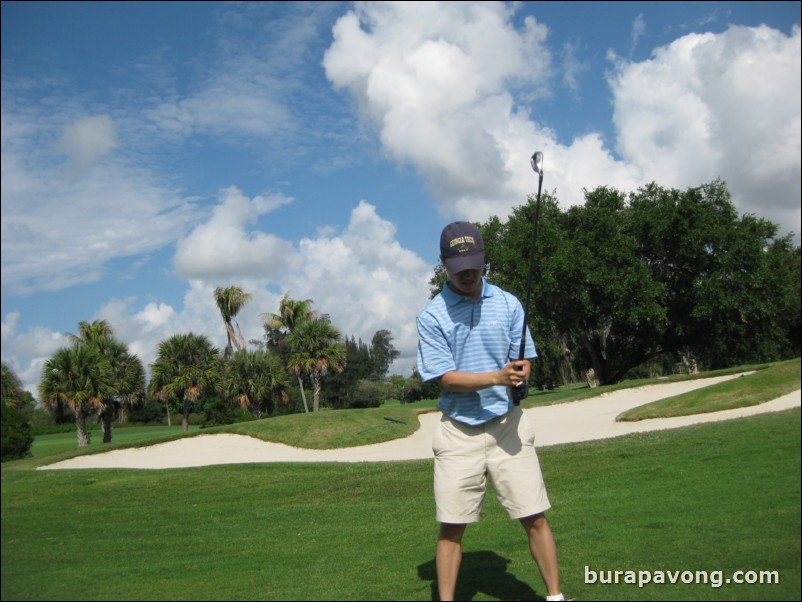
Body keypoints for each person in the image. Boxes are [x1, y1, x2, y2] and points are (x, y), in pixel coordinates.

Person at [416, 221, 565, 602]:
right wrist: (498, 377)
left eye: (474, 263)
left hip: (508, 427)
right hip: (458, 431)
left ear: (484, 260)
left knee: (534, 515)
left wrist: (519, 372)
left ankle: (555, 597)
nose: (468, 272)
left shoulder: (509, 303)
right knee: (452, 526)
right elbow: (445, 378)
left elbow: (524, 358)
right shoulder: (432, 316)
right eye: (460, 265)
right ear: (445, 264)